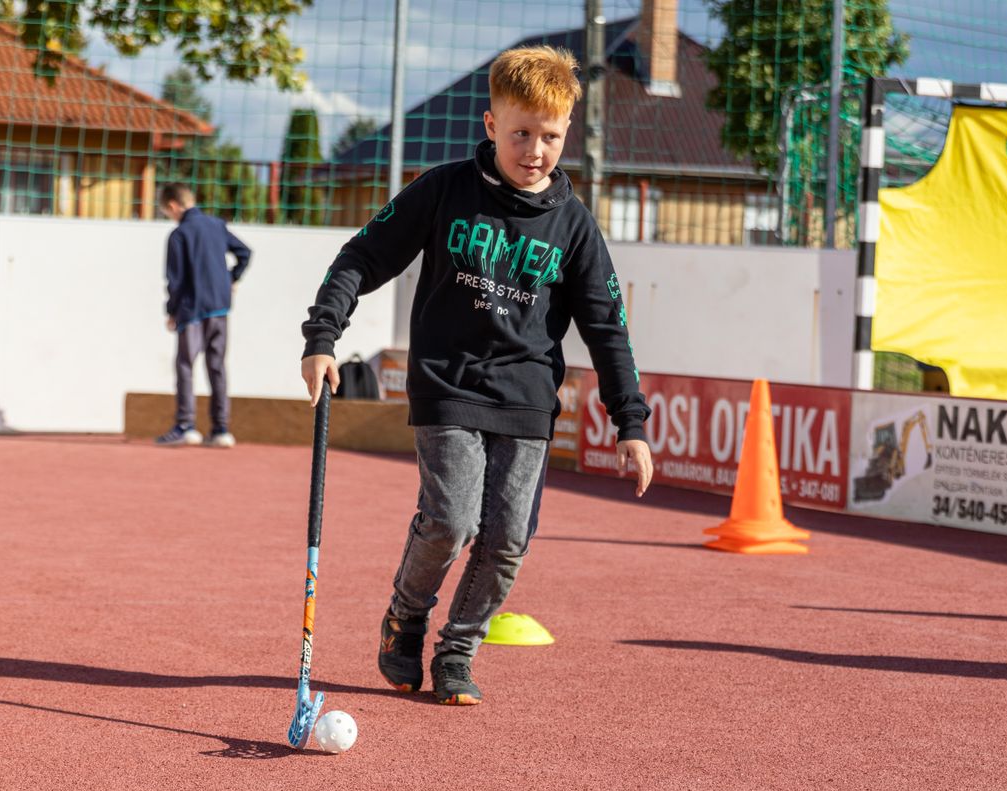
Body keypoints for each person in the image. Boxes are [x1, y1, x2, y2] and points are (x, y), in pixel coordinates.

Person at [300, 46, 653, 705]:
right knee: (451, 520)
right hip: (448, 385)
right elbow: (362, 256)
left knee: (508, 541)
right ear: (491, 125)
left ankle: (458, 651)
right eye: (521, 134)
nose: (535, 151)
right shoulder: (444, 190)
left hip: (525, 399)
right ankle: (406, 615)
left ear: (566, 132)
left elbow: (608, 327)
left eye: (550, 137)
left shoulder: (573, 227)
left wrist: (629, 421)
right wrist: (323, 334)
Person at [157, 183, 252, 448]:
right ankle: (221, 429)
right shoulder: (216, 225)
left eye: (167, 211)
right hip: (220, 308)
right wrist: (231, 279)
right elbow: (245, 252)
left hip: (192, 311)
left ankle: (185, 425)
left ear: (173, 206)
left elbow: (174, 280)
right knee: (217, 366)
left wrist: (171, 311)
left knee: (185, 365)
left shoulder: (179, 235)